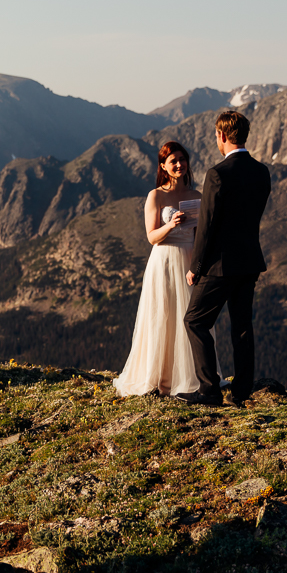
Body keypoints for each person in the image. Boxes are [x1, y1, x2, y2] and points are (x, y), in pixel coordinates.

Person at [178, 111, 272, 407]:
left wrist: (196, 267)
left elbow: (207, 226)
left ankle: (209, 390)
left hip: (220, 265)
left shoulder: (217, 174)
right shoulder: (262, 172)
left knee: (195, 321)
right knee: (242, 327)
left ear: (221, 136)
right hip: (249, 262)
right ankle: (241, 392)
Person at [113, 142, 217, 397]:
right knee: (162, 316)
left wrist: (199, 266)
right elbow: (151, 237)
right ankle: (159, 377)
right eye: (173, 161)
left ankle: (191, 378)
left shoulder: (197, 197)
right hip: (163, 261)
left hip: (188, 260)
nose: (179, 164)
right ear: (163, 166)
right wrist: (170, 225)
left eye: (182, 159)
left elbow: (201, 236)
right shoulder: (156, 196)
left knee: (188, 317)